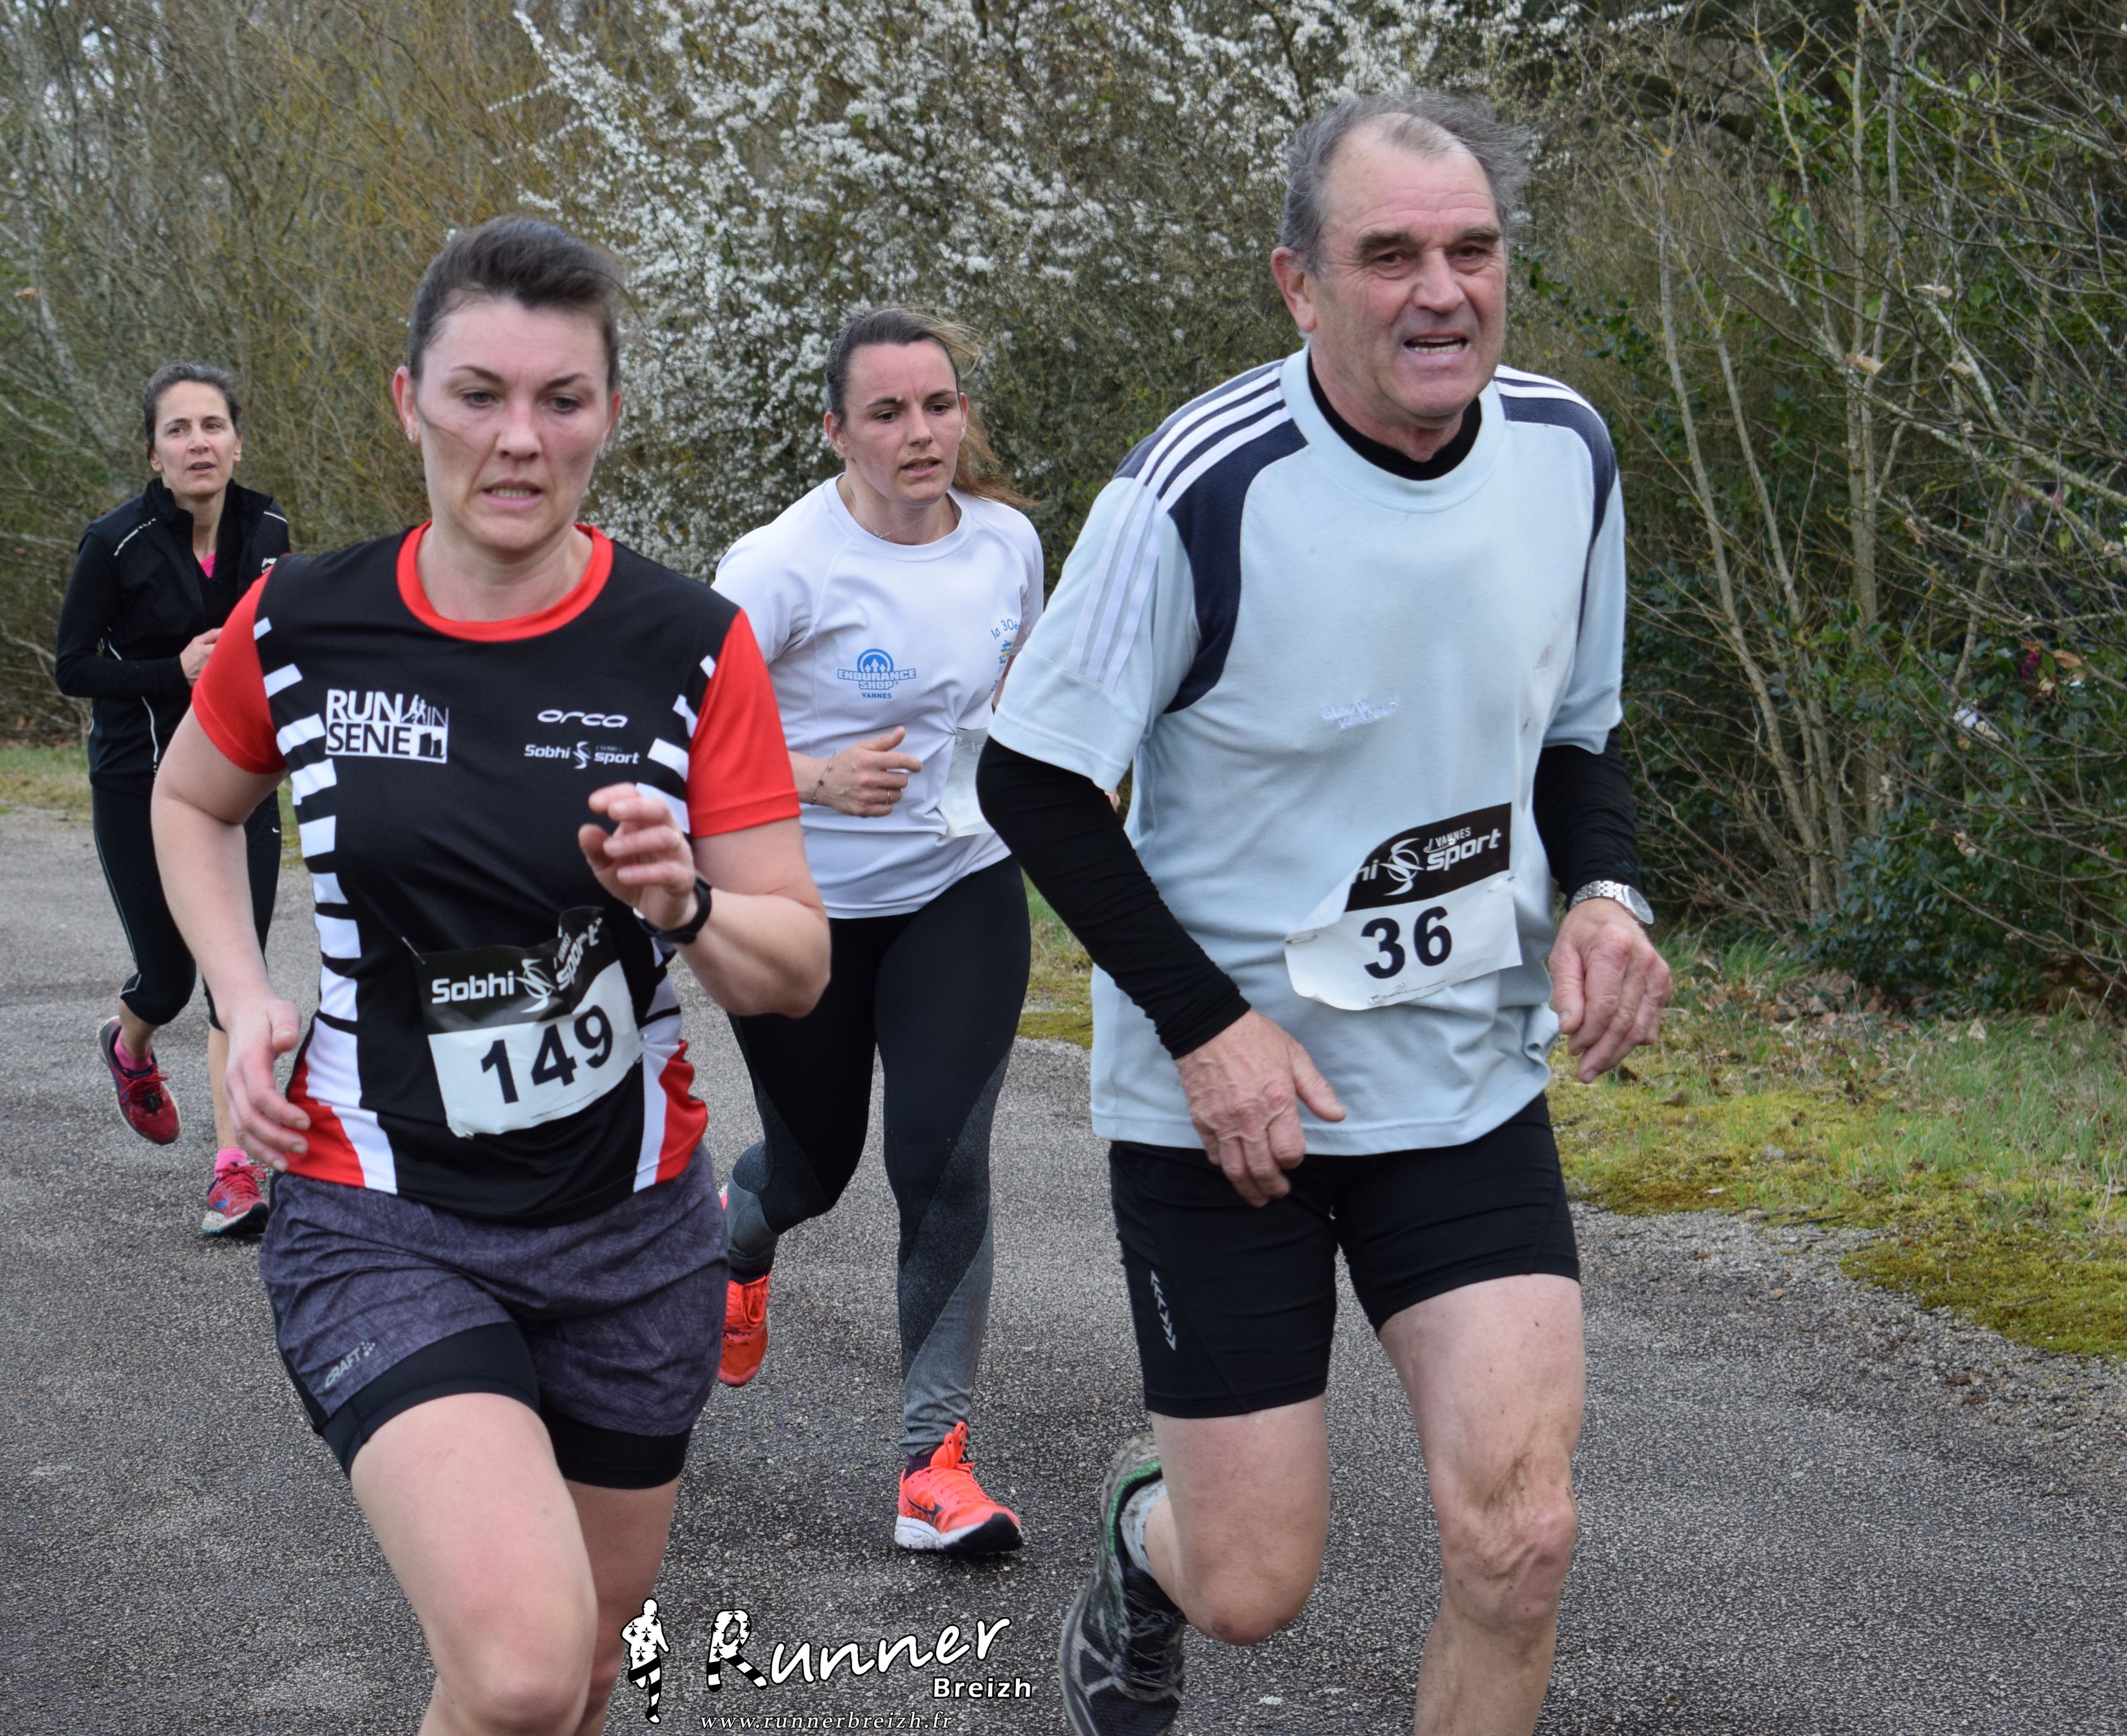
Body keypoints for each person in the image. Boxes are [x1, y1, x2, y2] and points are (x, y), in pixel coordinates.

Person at [978, 93, 1672, 1736]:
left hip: (1461, 1080)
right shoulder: (1200, 487)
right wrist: (1207, 1028)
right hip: (1232, 1109)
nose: (1439, 293)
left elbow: (1577, 734)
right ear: (1298, 285)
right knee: (1249, 1586)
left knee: (1519, 1538)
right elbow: (1031, 779)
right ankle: (1143, 1548)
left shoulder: (1564, 452)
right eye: (1388, 256)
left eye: (1471, 250)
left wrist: (1604, 894)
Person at [151, 216, 829, 1736]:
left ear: (607, 415)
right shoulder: (305, 620)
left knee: (580, 1675)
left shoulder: (688, 645)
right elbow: (191, 801)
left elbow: (792, 966)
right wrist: (239, 996)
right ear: (409, 404)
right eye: (478, 395)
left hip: (633, 1235)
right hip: (378, 1211)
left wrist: (687, 899)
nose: (519, 439)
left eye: (560, 399)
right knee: (520, 1669)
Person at [710, 308, 1044, 1555]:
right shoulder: (781, 567)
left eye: (940, 405)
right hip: (802, 912)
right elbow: (686, 741)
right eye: (889, 412)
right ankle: (735, 1241)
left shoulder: (1009, 544)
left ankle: (932, 1465)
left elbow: (1014, 698)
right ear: (835, 429)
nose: (921, 433)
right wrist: (813, 777)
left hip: (962, 887)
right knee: (815, 1170)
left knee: (943, 1163)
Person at [54, 362, 292, 1237]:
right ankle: (129, 1045)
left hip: (241, 783)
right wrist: (175, 670)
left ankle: (236, 1172)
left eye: (213, 425)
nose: (199, 443)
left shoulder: (269, 529)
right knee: (169, 978)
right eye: (178, 430)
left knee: (238, 979)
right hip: (138, 781)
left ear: (238, 442)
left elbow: (282, 642)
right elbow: (72, 667)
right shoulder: (114, 543)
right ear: (153, 453)